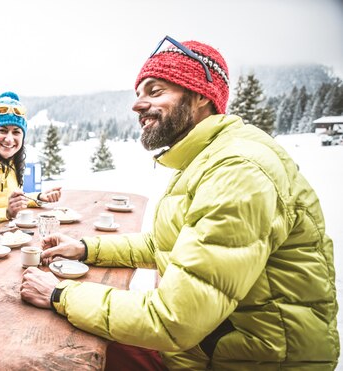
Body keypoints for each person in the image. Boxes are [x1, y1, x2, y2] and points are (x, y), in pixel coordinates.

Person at [20, 36, 339, 369]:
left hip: (245, 361)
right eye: (138, 94)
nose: (137, 105)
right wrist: (85, 248)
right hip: (208, 347)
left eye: (156, 92)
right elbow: (166, 245)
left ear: (201, 95)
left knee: (51, 348)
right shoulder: (210, 157)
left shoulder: (238, 170)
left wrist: (60, 294)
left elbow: (175, 319)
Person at [0, 92, 62, 229]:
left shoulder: (11, 160)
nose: (9, 139)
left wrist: (39, 197)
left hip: (8, 235)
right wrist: (6, 213)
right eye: (3, 131)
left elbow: (10, 201)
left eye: (16, 132)